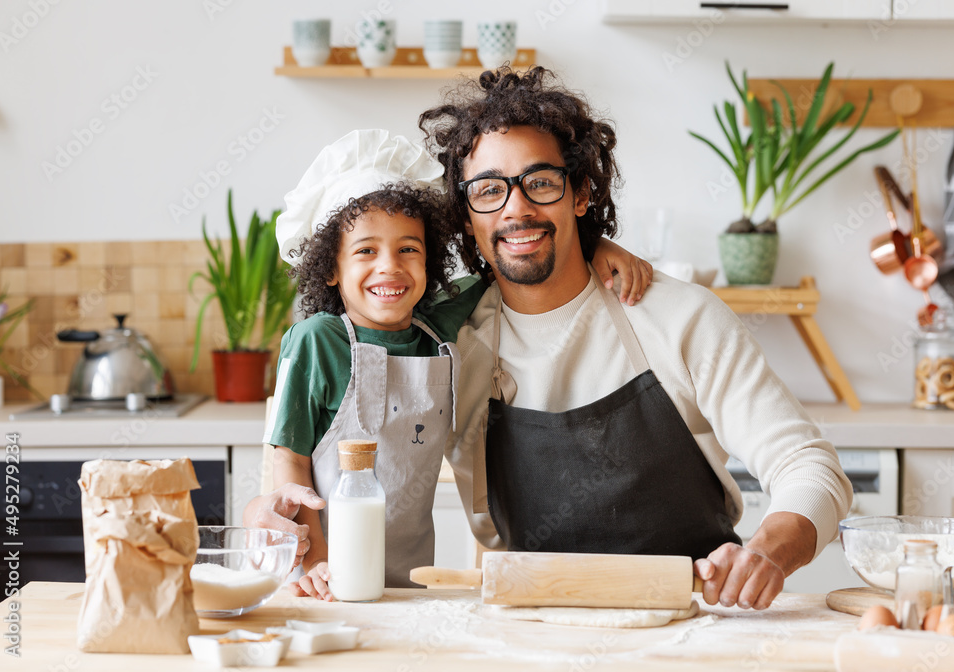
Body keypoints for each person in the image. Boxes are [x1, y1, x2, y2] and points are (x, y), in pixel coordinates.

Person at [420, 67, 854, 611]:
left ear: (579, 194)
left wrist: (767, 550)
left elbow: (809, 465)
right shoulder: (448, 342)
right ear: (466, 217)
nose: (516, 207)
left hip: (697, 625)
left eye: (541, 182)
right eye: (489, 190)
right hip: (530, 629)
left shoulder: (679, 318)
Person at [263, 129, 652, 601]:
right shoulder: (316, 341)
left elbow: (514, 257)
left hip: (409, 584)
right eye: (366, 251)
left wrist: (593, 247)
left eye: (409, 249)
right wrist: (316, 560)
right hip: (322, 578)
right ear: (330, 268)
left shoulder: (437, 325)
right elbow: (288, 460)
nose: (390, 266)